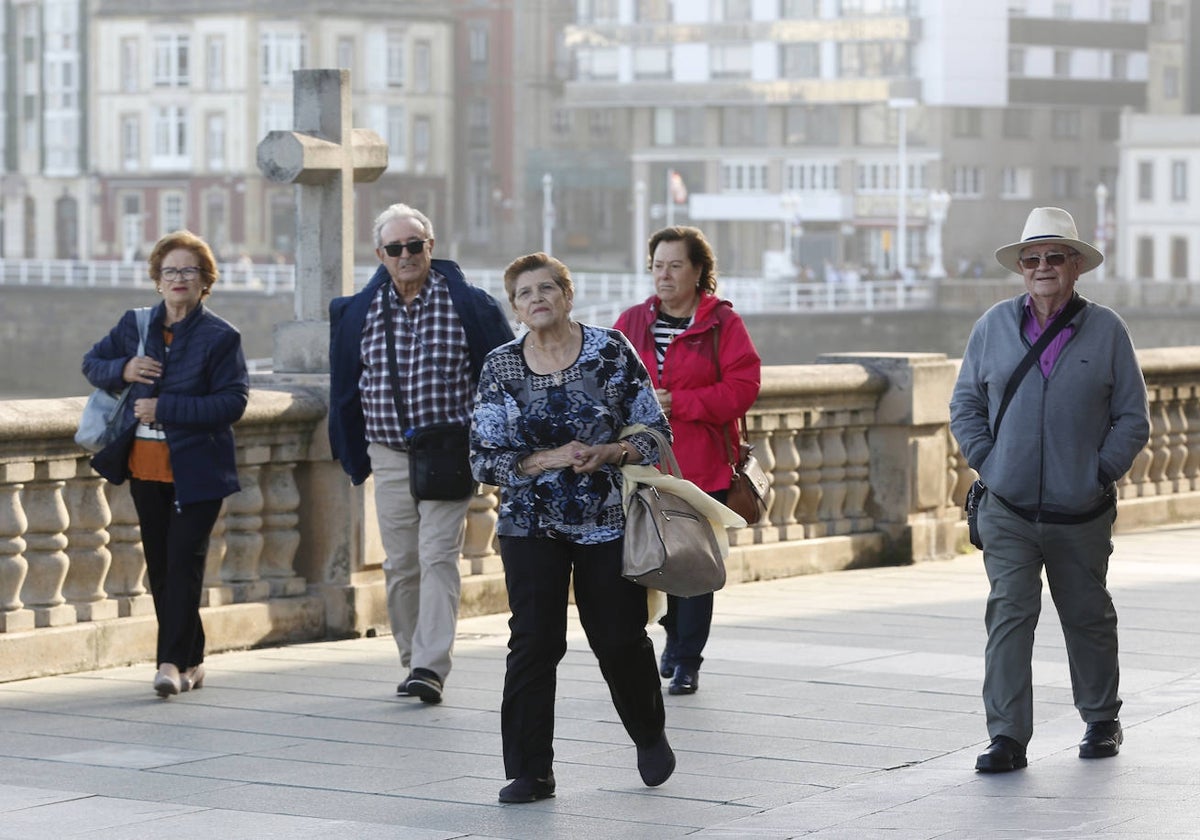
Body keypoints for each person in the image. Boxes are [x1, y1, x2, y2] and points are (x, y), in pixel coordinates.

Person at [949, 207, 1150, 773]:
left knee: (1087, 614)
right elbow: (965, 403)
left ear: (1076, 266)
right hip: (1007, 507)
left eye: (1054, 257)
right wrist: (991, 461)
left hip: (1080, 509)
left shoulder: (1107, 329)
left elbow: (1133, 418)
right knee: (1009, 615)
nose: (1042, 267)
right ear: (1020, 268)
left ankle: (1101, 718)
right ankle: (1007, 737)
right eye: (1031, 259)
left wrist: (1096, 472)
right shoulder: (992, 326)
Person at [470, 252, 676, 803]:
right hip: (529, 523)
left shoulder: (610, 351)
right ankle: (530, 771)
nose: (536, 299)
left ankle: (648, 733)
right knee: (534, 643)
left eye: (546, 289)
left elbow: (656, 431)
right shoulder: (500, 367)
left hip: (607, 522)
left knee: (618, 638)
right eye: (524, 294)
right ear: (515, 308)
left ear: (567, 293)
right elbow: (483, 459)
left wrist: (613, 449)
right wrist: (547, 459)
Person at [328, 203, 514, 705]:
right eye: (396, 248)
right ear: (380, 255)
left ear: (430, 247)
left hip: (449, 452)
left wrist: (489, 441)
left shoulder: (469, 306)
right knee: (400, 564)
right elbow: (344, 386)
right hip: (387, 451)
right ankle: (413, 658)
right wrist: (350, 450)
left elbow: (503, 379)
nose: (406, 255)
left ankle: (432, 665)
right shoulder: (357, 312)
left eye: (415, 245)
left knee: (438, 557)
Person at [82, 230, 249, 698]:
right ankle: (193, 659)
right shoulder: (136, 326)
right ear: (158, 279)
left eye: (189, 271)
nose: (178, 279)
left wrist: (166, 409)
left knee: (183, 563)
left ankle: (170, 663)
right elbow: (92, 362)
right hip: (144, 467)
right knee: (160, 567)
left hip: (199, 473)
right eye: (170, 271)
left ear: (204, 282)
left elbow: (233, 403)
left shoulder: (221, 336)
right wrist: (125, 369)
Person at [613, 226, 761, 696]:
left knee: (695, 564)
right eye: (658, 265)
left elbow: (743, 388)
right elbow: (608, 383)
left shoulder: (722, 324)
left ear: (699, 272)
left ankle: (688, 658)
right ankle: (672, 640)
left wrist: (681, 402)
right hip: (642, 468)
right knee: (654, 557)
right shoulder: (631, 322)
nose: (665, 275)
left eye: (676, 265)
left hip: (702, 466)